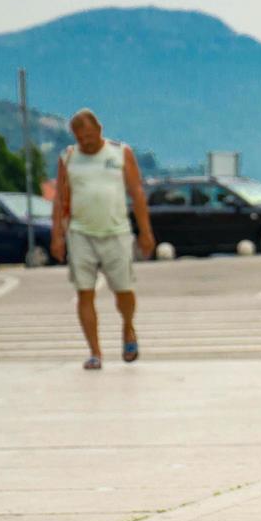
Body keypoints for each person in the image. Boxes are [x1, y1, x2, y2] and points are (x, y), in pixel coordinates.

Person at [50, 109, 154, 370]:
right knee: (84, 292)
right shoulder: (69, 157)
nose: (86, 142)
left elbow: (137, 193)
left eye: (89, 136)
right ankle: (95, 351)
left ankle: (128, 329)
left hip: (116, 232)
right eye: (80, 138)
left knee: (124, 291)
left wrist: (145, 232)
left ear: (99, 130)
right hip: (80, 233)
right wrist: (57, 236)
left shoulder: (120, 153)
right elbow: (61, 198)